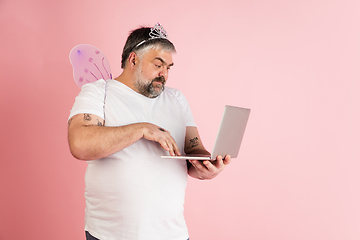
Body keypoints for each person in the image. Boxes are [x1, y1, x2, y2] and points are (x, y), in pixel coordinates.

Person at [68, 23, 231, 240]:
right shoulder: (99, 92)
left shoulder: (176, 99)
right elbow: (80, 144)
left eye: (169, 67)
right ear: (133, 59)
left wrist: (206, 167)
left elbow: (193, 149)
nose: (164, 73)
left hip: (172, 234)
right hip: (110, 235)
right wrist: (142, 129)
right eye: (158, 64)